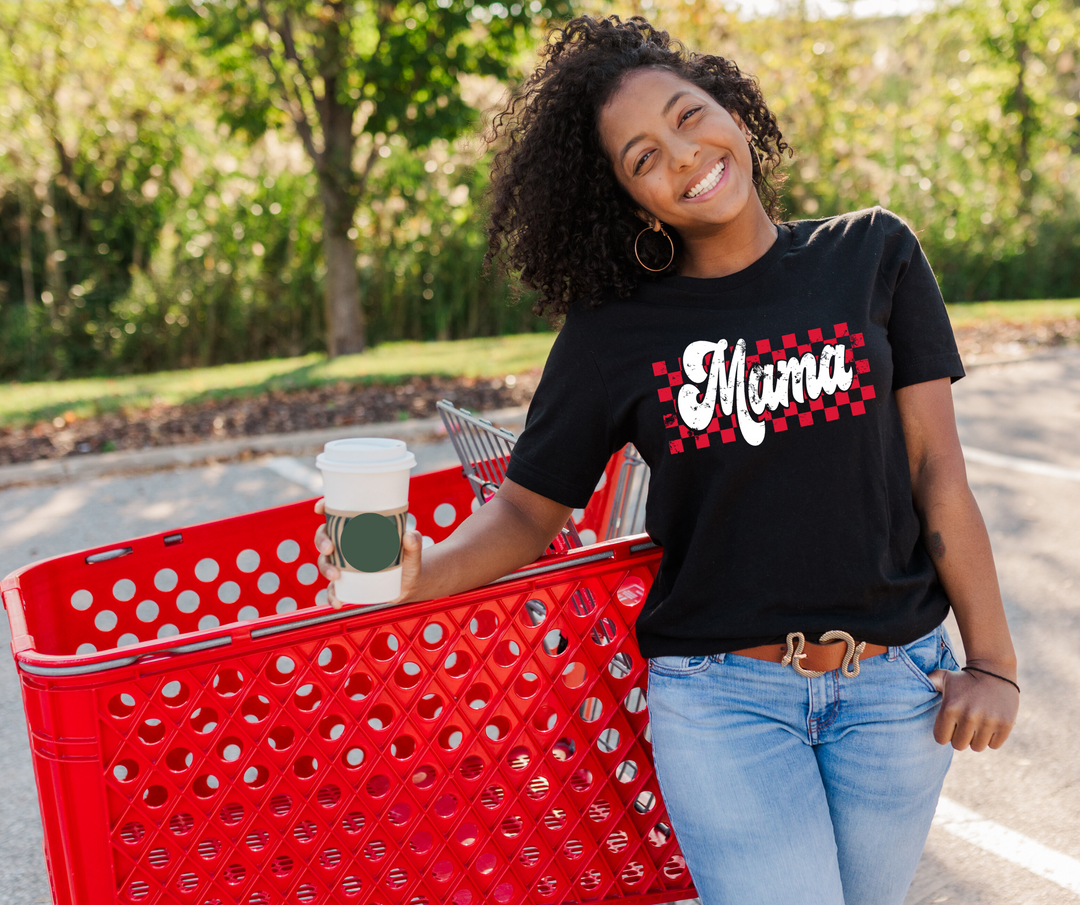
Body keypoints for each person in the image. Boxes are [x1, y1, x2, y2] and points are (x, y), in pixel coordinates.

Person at [314, 15, 1019, 904]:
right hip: (725, 703)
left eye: (688, 117)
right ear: (630, 199)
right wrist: (419, 574)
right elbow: (530, 509)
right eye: (643, 157)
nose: (683, 157)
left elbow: (937, 476)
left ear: (730, 105)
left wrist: (993, 663)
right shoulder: (617, 330)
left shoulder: (874, 253)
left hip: (896, 690)